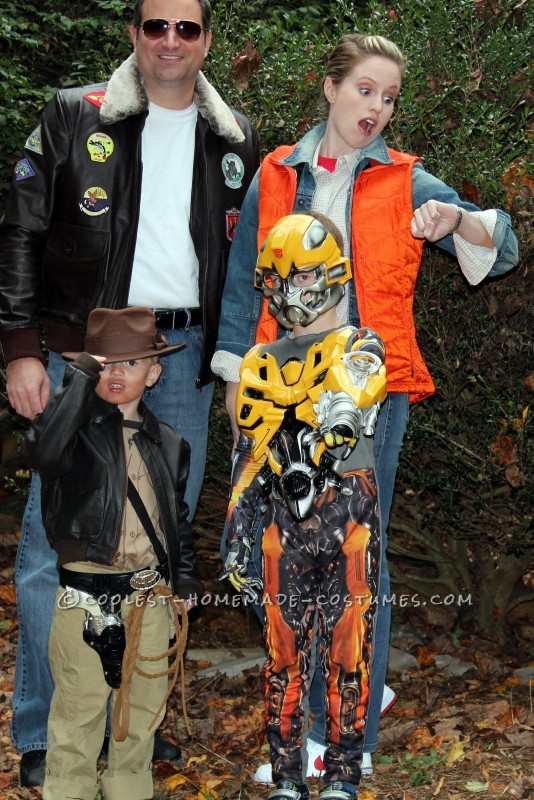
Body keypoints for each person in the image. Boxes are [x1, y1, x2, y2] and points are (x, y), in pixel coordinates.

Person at [211, 33, 519, 781]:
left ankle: (336, 734)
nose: (377, 108)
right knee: (276, 560)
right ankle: (337, 700)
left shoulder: (408, 180)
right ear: (330, 87)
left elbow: (501, 247)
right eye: (365, 90)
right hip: (279, 391)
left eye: (389, 97)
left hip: (364, 397)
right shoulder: (276, 172)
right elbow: (240, 282)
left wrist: (460, 222)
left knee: (355, 568)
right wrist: (230, 374)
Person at [0, 0, 259, 786]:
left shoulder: (236, 138)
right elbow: (20, 229)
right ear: (134, 35)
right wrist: (19, 349)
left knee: (155, 549)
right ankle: (46, 731)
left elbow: (246, 265)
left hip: (180, 363)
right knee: (57, 549)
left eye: (188, 28)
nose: (171, 41)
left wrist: (230, 362)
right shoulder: (74, 116)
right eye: (157, 25)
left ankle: (130, 728)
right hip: (84, 355)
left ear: (208, 40)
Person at [222, 212, 387, 800]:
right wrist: (236, 529)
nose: (292, 292)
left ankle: (343, 775)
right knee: (282, 659)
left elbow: (358, 384)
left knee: (348, 653)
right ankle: (288, 779)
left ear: (331, 275)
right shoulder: (258, 363)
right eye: (281, 280)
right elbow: (246, 456)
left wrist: (338, 414)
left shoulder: (358, 343)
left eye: (303, 278)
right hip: (280, 529)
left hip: (347, 520)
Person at [22, 306, 204, 800]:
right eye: (103, 363)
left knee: (139, 718)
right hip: (85, 596)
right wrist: (76, 383)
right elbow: (41, 453)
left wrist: (184, 578)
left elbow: (177, 521)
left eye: (130, 362)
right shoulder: (72, 436)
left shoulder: (169, 443)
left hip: (149, 598)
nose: (116, 373)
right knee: (77, 714)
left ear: (155, 372)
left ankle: (129, 791)